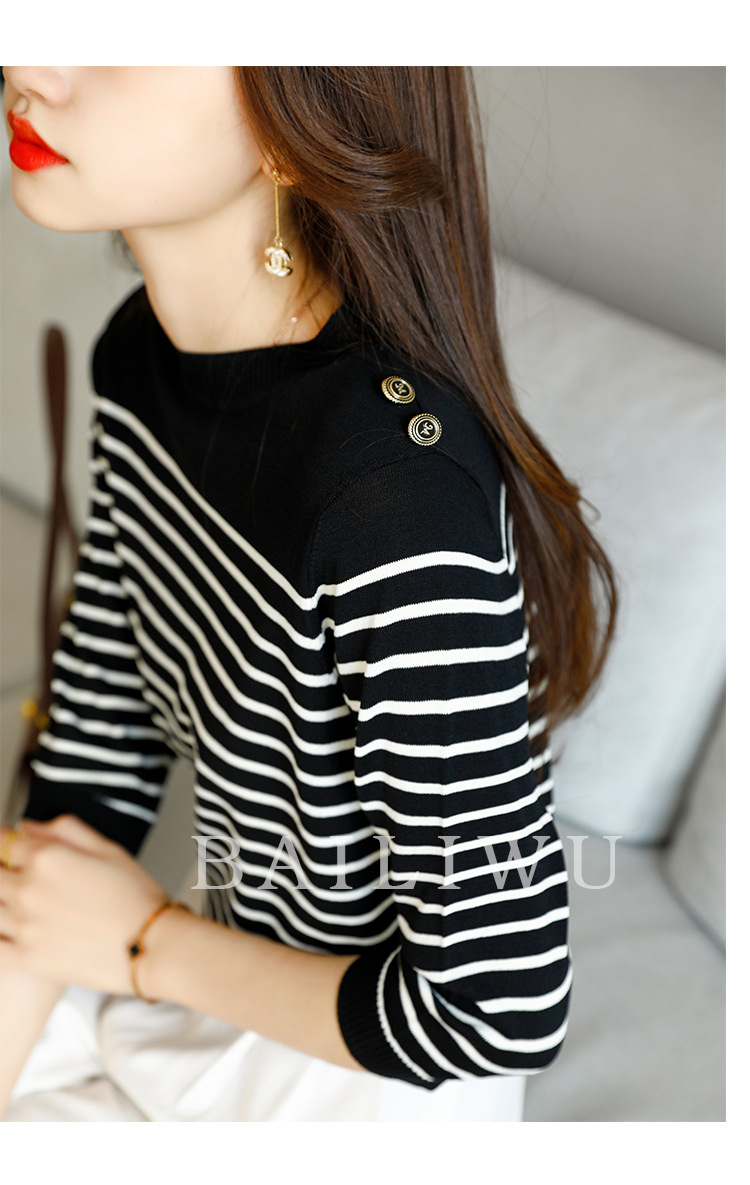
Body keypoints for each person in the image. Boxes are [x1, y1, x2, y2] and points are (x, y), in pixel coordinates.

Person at [0, 67, 617, 1122]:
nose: (29, 65)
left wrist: (142, 943)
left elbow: (498, 1010)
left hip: (354, 1083)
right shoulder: (138, 358)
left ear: (296, 129)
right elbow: (96, 752)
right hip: (198, 980)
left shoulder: (393, 499)